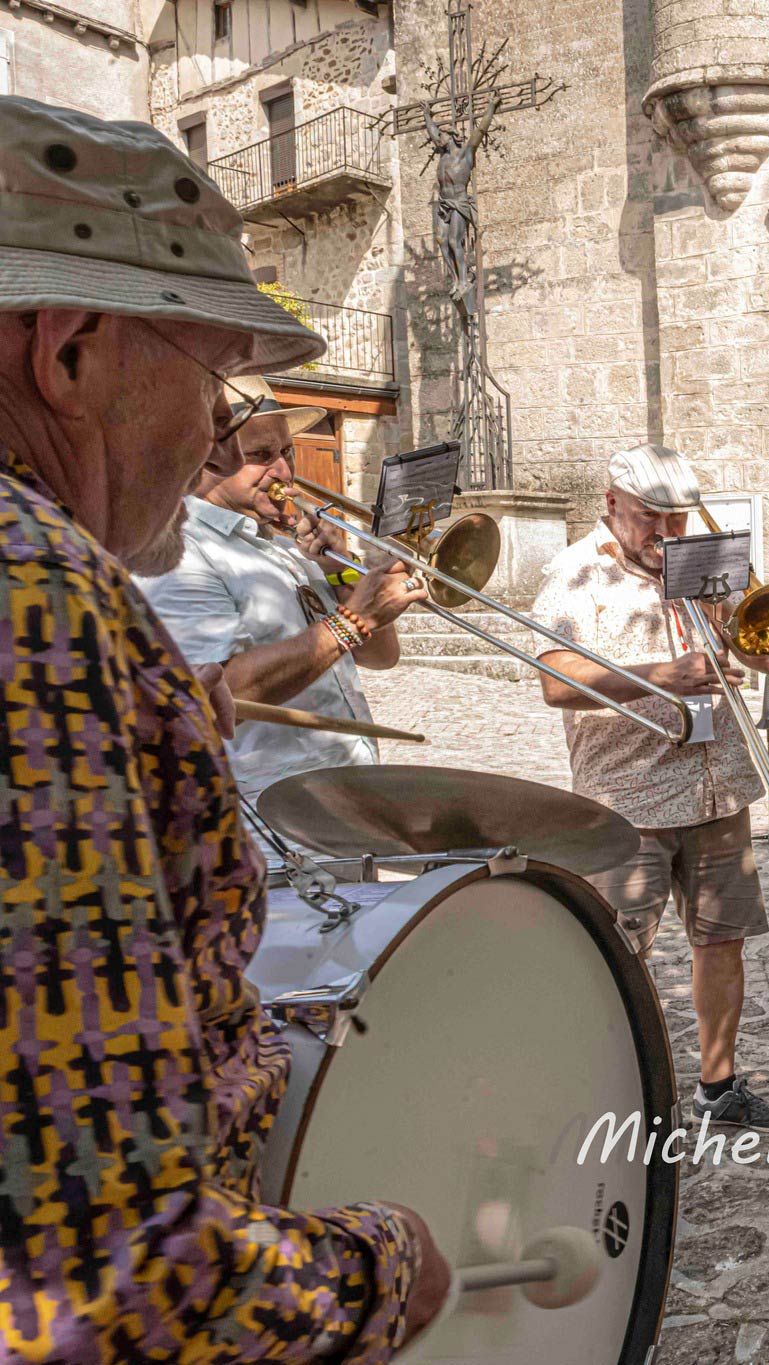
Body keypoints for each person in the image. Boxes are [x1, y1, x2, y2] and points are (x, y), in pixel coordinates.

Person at [0, 95, 447, 1357]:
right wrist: (382, 1271)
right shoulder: (33, 590)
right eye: (214, 380)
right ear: (72, 354)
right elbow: (113, 1282)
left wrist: (151, 715)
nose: (215, 428)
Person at [530, 444, 769, 1132]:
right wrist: (661, 677)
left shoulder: (698, 557)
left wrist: (750, 633)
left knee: (723, 941)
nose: (667, 532)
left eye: (677, 518)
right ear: (612, 502)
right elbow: (556, 679)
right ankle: (610, 1098)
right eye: (651, 517)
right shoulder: (577, 570)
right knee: (618, 954)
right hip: (632, 797)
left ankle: (719, 1084)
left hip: (717, 787)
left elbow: (760, 652)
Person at [139, 376, 427, 805]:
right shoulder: (180, 552)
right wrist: (354, 621)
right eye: (261, 456)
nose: (284, 472)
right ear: (204, 458)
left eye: (286, 452)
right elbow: (219, 692)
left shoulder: (282, 546)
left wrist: (340, 574)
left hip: (343, 786)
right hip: (268, 805)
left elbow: (380, 657)